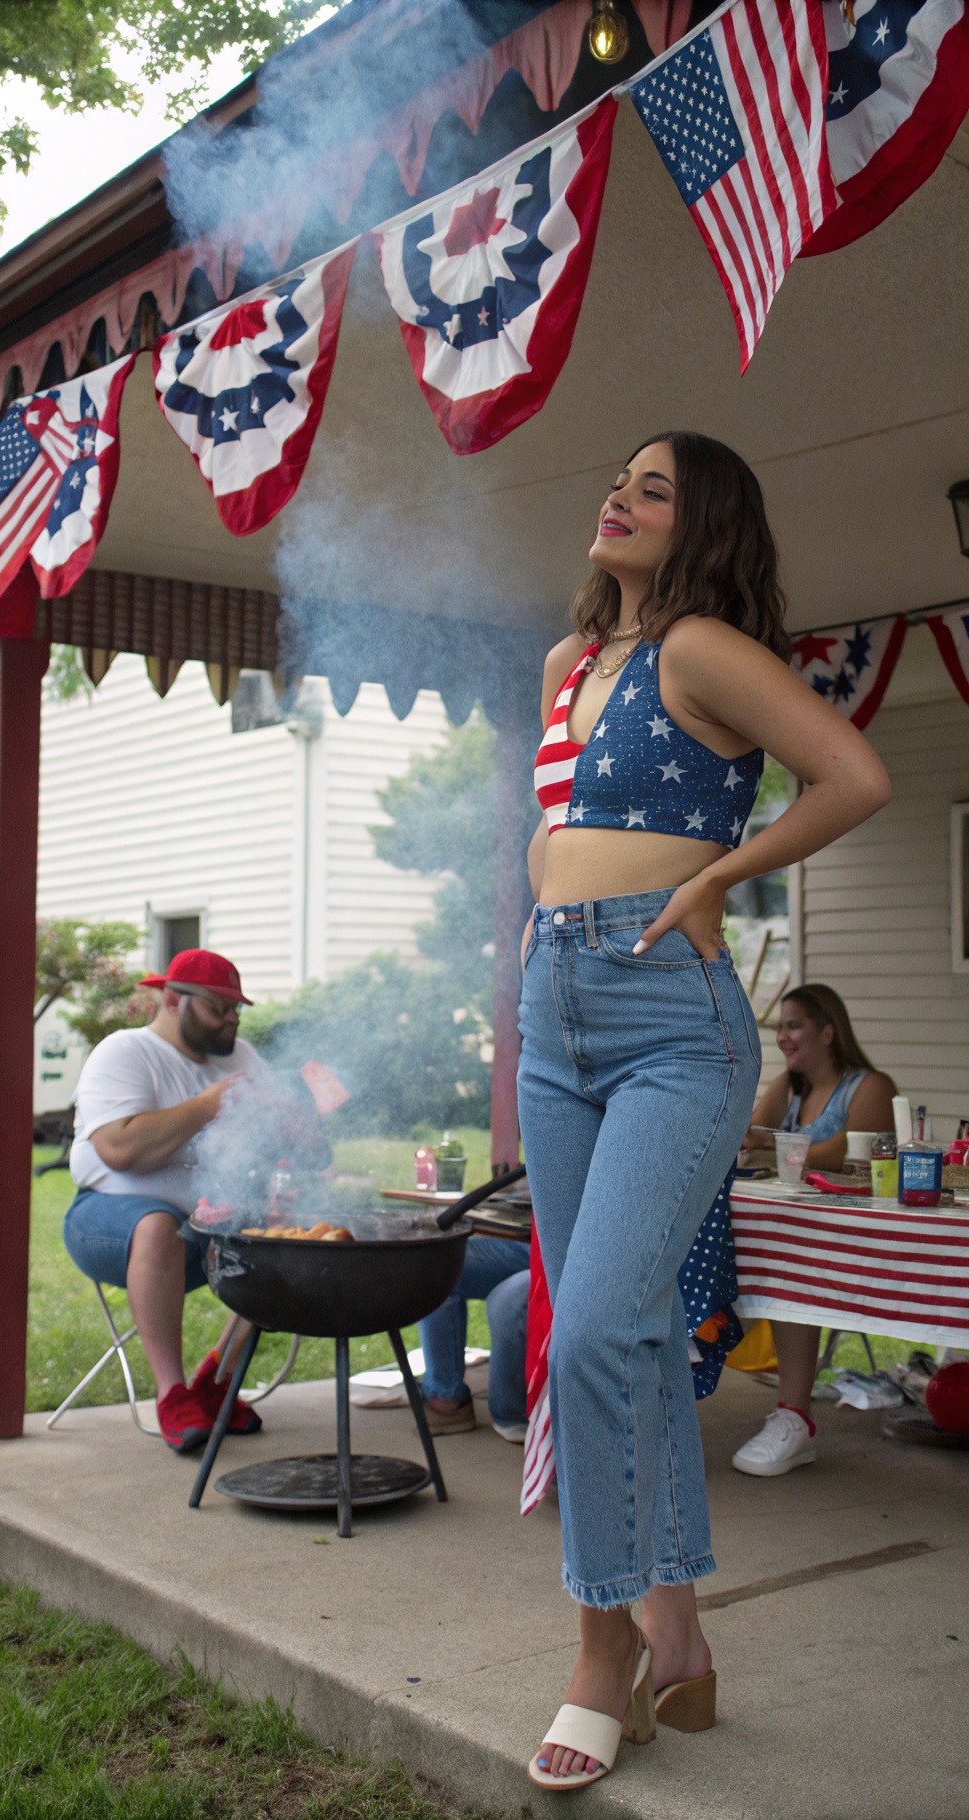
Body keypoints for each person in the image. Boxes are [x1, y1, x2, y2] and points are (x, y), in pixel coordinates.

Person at [518, 431, 891, 1790]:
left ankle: (600, 1649)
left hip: (671, 1020)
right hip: (554, 1016)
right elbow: (550, 834)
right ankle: (679, 1629)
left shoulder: (702, 649)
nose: (618, 493)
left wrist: (712, 880)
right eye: (617, 475)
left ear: (703, 523)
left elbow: (856, 778)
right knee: (619, 1330)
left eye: (655, 486)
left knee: (600, 1326)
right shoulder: (568, 667)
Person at [63, 948, 271, 1453]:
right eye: (219, 1007)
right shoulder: (125, 1051)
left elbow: (286, 1144)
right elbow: (119, 1150)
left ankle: (216, 1382)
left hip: (207, 1229)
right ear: (175, 1000)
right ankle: (172, 1395)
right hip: (109, 1222)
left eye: (236, 1009)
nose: (231, 1020)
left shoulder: (242, 1058)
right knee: (158, 1226)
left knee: (283, 1234)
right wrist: (208, 1106)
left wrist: (295, 1123)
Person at [732, 984, 897, 1478]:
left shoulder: (870, 1086)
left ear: (828, 1032)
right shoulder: (790, 1085)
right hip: (795, 1230)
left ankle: (794, 1416)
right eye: (780, 1026)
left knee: (789, 1263)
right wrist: (765, 1141)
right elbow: (746, 1138)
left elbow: (849, 1155)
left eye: (794, 1025)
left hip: (858, 1241)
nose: (782, 1037)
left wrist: (773, 1144)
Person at [417, 1238, 530, 1440]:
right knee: (437, 1261)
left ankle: (512, 1413)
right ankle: (444, 1396)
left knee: (507, 1298)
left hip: (570, 1248)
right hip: (529, 1240)